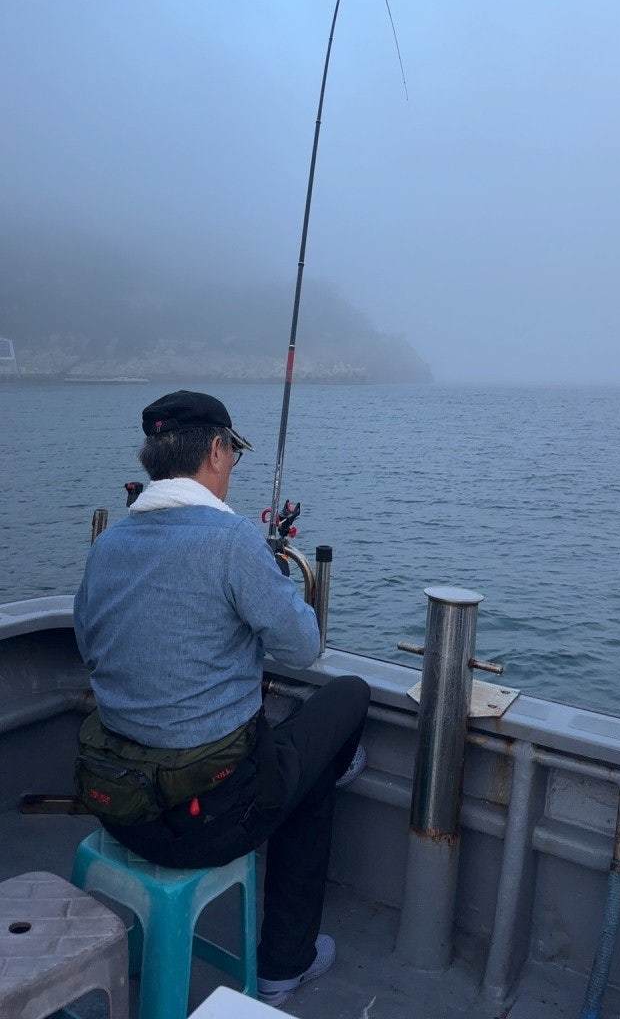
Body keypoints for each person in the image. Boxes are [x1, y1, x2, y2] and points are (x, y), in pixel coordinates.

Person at [73, 389, 370, 1009]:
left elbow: (88, 644)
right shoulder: (234, 541)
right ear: (215, 450)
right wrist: (272, 579)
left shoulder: (108, 546)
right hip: (207, 821)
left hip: (117, 803)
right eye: (233, 452)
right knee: (347, 701)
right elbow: (303, 646)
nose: (231, 464)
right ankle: (284, 964)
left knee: (294, 763)